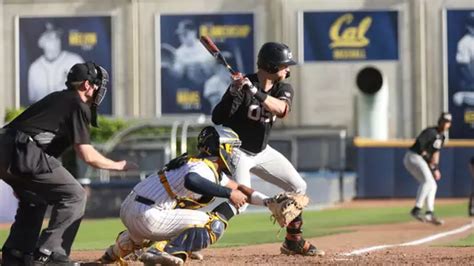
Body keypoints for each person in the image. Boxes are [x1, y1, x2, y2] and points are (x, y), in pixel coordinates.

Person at [0, 62, 138, 266]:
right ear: (86, 85)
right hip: (21, 151)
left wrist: (21, 179)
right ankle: (51, 254)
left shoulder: (60, 98)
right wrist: (118, 166)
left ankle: (17, 254)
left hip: (8, 149)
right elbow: (87, 154)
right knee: (75, 195)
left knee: (35, 199)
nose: (100, 89)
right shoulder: (77, 103)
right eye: (97, 84)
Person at [99, 126, 274, 265]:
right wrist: (229, 193)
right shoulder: (201, 168)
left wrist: (270, 202)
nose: (233, 154)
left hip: (132, 209)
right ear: (221, 149)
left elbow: (241, 191)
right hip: (148, 215)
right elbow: (192, 180)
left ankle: (112, 254)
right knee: (212, 224)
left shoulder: (197, 164)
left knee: (165, 224)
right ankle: (160, 251)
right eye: (231, 149)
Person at [210, 42, 324, 257]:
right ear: (271, 66)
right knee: (240, 201)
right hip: (238, 151)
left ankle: (293, 241)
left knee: (299, 186)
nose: (288, 70)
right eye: (284, 65)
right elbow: (217, 118)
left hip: (262, 151)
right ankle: (196, 238)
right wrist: (233, 92)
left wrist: (256, 93)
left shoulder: (283, 88)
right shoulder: (244, 85)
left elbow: (281, 110)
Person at [404, 112, 452, 225]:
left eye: (448, 122)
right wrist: (429, 161)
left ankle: (429, 212)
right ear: (440, 121)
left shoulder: (442, 137)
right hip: (413, 156)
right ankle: (416, 209)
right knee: (428, 181)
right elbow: (420, 146)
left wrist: (435, 168)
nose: (446, 124)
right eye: (444, 121)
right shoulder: (430, 132)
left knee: (432, 184)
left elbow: (435, 153)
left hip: (420, 160)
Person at [28, 22, 84, 103]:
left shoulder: (75, 61)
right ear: (40, 42)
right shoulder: (34, 68)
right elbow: (32, 101)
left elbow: (87, 96)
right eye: (50, 37)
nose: (55, 41)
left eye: (57, 36)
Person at [168, 19, 215, 85]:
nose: (182, 37)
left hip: (208, 82)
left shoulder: (204, 45)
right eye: (180, 34)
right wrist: (171, 66)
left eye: (185, 34)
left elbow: (210, 62)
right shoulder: (179, 52)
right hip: (191, 87)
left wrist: (185, 62)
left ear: (193, 32)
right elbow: (178, 73)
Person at [452, 12, 474, 106]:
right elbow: (464, 68)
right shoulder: (464, 42)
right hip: (470, 87)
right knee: (459, 99)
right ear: (468, 26)